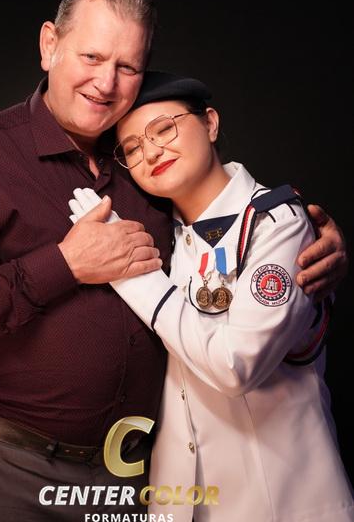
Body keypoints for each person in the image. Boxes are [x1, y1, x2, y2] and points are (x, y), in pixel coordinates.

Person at [0, 0, 347, 521]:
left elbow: (229, 232)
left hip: (137, 469)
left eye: (127, 67)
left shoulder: (145, 169)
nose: (105, 82)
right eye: (91, 56)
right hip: (12, 467)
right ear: (49, 45)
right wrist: (64, 263)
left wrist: (310, 240)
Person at [68, 70, 354, 522]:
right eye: (133, 148)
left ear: (211, 123)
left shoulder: (276, 222)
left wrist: (128, 271)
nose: (151, 151)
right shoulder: (159, 233)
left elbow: (235, 366)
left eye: (164, 128)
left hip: (280, 502)